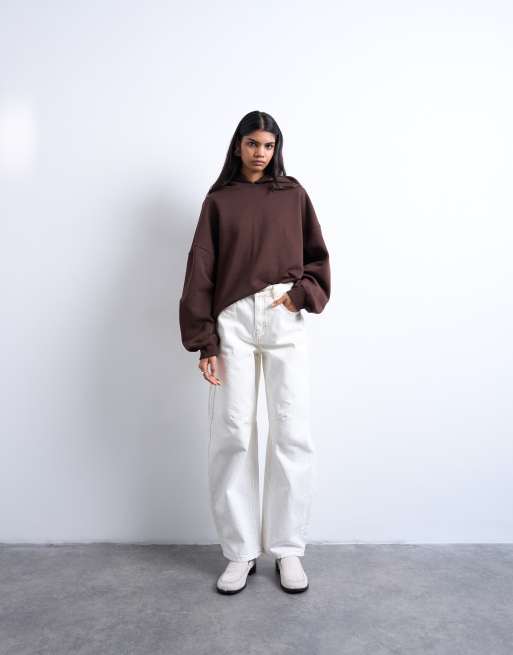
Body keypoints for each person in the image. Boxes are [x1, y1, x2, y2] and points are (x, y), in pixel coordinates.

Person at [179, 110, 331, 595]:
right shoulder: (219, 200)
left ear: (276, 148)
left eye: (268, 145)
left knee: (291, 430)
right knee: (233, 433)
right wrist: (204, 340)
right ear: (238, 145)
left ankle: (288, 549)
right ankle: (239, 551)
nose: (260, 153)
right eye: (252, 144)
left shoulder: (293, 194)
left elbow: (318, 257)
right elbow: (201, 268)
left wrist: (300, 294)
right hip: (233, 322)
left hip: (283, 315)